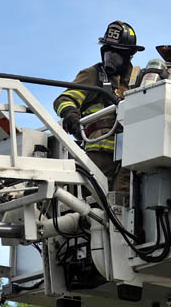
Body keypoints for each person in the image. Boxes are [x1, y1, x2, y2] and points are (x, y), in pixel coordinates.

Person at [53, 21, 144, 194]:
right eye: (107, 51)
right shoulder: (94, 75)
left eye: (116, 54)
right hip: (98, 154)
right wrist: (70, 113)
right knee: (94, 199)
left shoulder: (138, 81)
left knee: (122, 203)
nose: (110, 58)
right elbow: (63, 99)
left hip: (129, 155)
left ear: (129, 56)